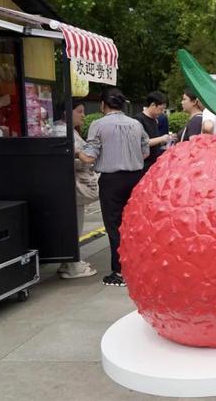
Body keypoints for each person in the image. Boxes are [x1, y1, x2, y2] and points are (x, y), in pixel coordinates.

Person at [79, 88, 149, 286]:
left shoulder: (98, 125)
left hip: (112, 181)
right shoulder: (136, 124)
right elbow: (144, 152)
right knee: (135, 224)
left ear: (103, 105)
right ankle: (139, 268)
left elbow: (89, 155)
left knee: (114, 225)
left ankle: (119, 272)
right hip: (136, 178)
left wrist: (76, 153)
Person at [53, 99, 98, 279]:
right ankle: (73, 265)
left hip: (68, 185)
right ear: (67, 113)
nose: (83, 115)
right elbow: (67, 158)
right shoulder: (61, 131)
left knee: (72, 223)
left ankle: (69, 260)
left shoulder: (64, 130)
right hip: (70, 185)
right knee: (74, 224)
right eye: (79, 111)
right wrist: (84, 160)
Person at [136, 91, 170, 172]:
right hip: (144, 166)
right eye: (161, 109)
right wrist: (162, 138)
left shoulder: (155, 120)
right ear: (153, 105)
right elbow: (141, 143)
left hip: (155, 164)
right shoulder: (138, 120)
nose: (162, 112)